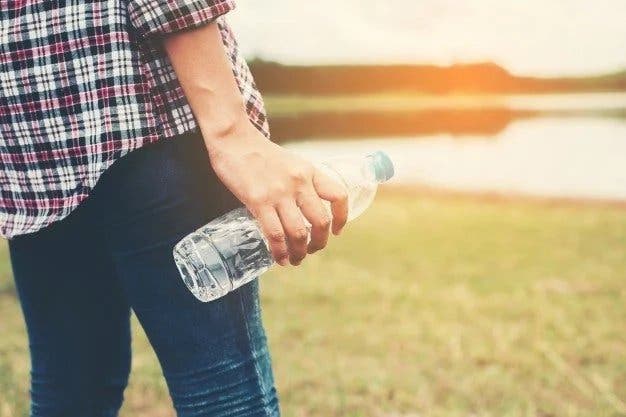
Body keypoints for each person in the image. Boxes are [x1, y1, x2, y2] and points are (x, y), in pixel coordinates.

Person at [0, 1, 348, 416]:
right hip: (141, 109)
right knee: (221, 394)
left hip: (28, 139)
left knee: (71, 391)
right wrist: (229, 129)